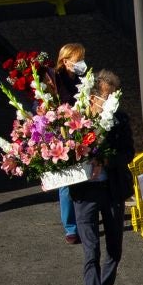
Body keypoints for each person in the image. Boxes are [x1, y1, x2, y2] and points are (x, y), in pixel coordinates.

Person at [68, 70, 132, 285]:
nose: (106, 102)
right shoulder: (74, 119)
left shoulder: (120, 119)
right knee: (91, 250)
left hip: (112, 189)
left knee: (114, 249)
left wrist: (107, 159)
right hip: (85, 194)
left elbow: (128, 151)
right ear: (92, 96)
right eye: (103, 96)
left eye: (111, 97)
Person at [53, 44, 90, 244]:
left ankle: (85, 219)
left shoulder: (83, 77)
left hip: (82, 130)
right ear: (66, 61)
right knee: (67, 181)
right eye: (77, 59)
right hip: (63, 132)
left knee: (85, 177)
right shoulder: (55, 79)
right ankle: (71, 227)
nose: (81, 63)